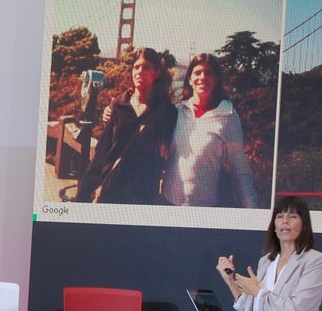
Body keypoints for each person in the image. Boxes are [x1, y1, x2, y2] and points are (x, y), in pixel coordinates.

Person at [74, 47, 177, 204]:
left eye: (146, 67)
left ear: (156, 73)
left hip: (142, 195)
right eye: (136, 67)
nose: (139, 72)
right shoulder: (119, 105)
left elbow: (168, 150)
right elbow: (102, 151)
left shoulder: (167, 111)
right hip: (111, 189)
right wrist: (83, 192)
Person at [161, 53, 256, 208]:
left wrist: (253, 213)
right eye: (197, 73)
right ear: (190, 80)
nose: (203, 77)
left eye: (208, 73)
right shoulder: (177, 112)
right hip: (168, 205)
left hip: (205, 211)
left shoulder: (228, 115)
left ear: (216, 79)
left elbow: (241, 170)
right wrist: (113, 111)